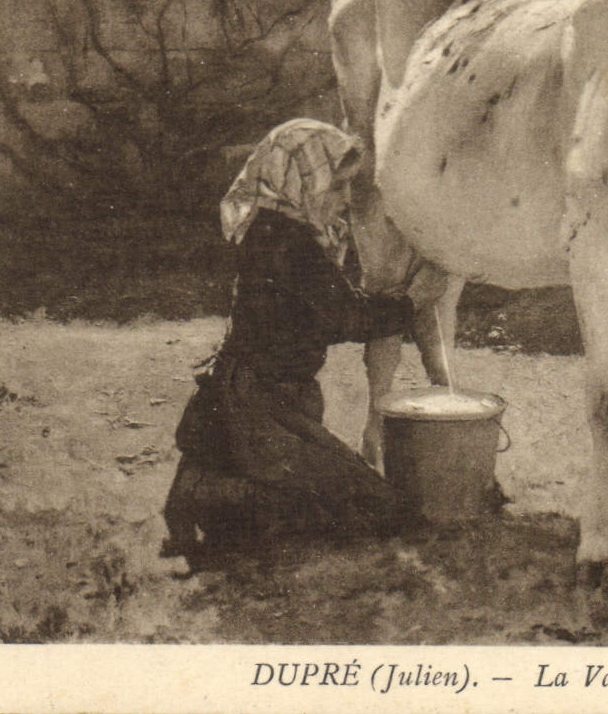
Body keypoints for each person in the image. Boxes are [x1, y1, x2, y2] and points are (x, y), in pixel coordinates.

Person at [162, 119, 418, 568]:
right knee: (375, 508)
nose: (344, 201)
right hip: (259, 403)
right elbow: (347, 318)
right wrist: (411, 302)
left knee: (358, 501)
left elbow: (329, 304)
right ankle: (206, 495)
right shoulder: (287, 243)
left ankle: (213, 486)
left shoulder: (279, 231)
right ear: (303, 181)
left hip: (270, 396)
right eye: (336, 188)